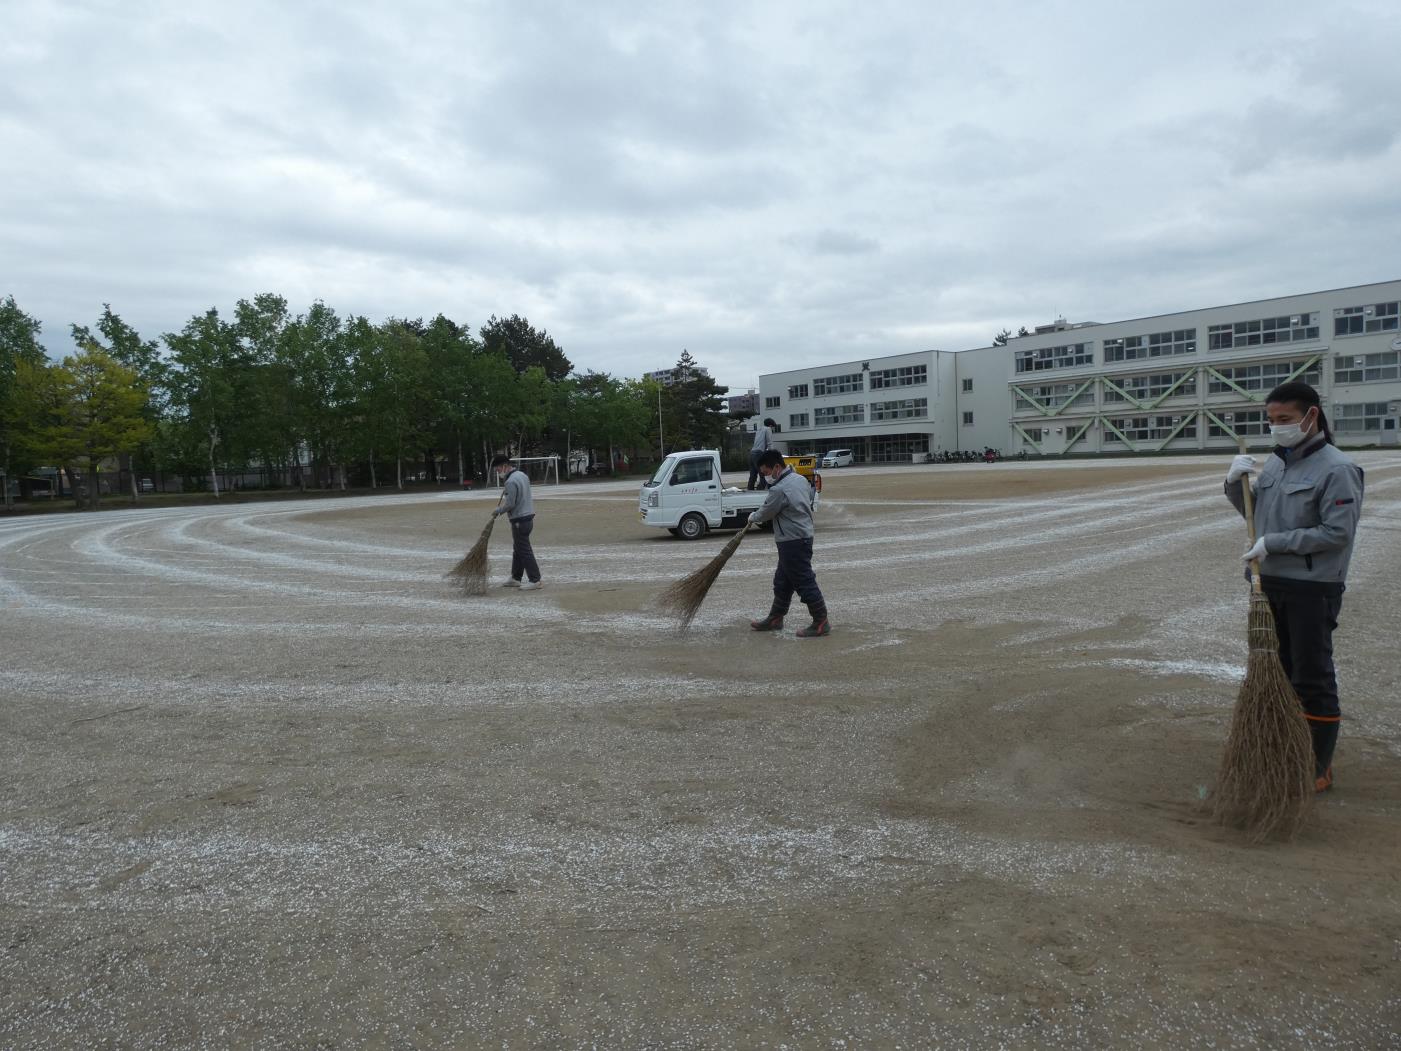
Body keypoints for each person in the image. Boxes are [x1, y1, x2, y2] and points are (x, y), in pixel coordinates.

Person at [1224, 381, 1364, 793]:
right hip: (1268, 583)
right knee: (1278, 672)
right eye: (1271, 421)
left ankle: (1318, 765)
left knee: (1311, 675)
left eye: (1284, 420)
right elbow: (1256, 515)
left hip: (1311, 587)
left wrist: (1275, 543)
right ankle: (1281, 748)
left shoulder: (1337, 469)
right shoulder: (1278, 464)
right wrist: (1235, 484)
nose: (1276, 428)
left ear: (1311, 416)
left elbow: (1336, 533)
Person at [747, 449, 830, 637]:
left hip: (792, 540)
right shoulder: (800, 479)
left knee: (804, 580)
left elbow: (766, 512)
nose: (766, 476)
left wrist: (753, 516)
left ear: (777, 467)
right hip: (802, 536)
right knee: (783, 581)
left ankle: (821, 621)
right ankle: (775, 618)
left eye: (766, 472)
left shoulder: (779, 489)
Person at [491, 454, 542, 590]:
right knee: (518, 549)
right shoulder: (522, 475)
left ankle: (535, 579)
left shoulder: (510, 482)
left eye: (497, 469)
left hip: (520, 519)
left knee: (524, 550)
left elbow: (510, 504)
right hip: (528, 516)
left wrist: (498, 510)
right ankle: (516, 577)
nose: (497, 472)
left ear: (504, 466)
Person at [747, 418, 778, 490]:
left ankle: (749, 491)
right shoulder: (768, 429)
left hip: (752, 454)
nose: (773, 429)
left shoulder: (759, 430)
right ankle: (760, 492)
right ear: (770, 425)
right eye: (773, 427)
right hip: (758, 454)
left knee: (753, 475)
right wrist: (773, 455)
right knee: (763, 474)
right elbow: (769, 443)